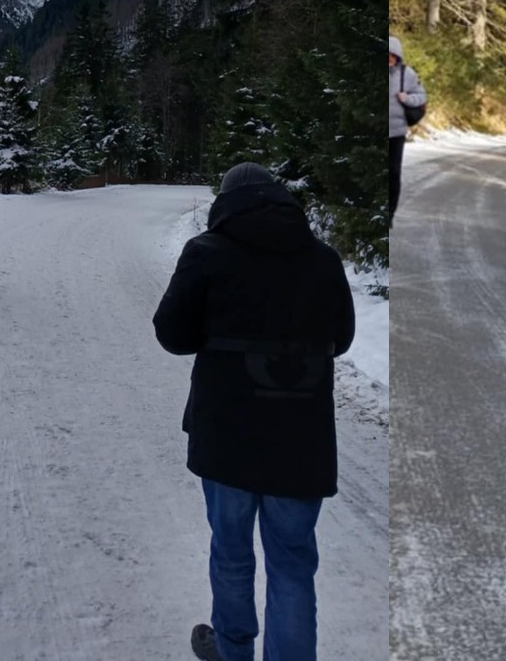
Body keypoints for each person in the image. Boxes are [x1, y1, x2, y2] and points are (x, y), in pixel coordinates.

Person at [154, 162, 356, 661]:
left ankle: (232, 647)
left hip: (227, 435)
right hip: (301, 438)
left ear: (227, 201)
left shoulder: (205, 253)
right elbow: (343, 338)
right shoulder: (322, 260)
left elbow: (172, 335)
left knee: (231, 553)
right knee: (291, 564)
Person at [388, 35, 426, 229]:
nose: (389, 59)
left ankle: (390, 214)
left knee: (393, 173)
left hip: (396, 132)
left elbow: (421, 96)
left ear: (397, 56)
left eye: (392, 56)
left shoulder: (407, 74)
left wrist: (407, 99)